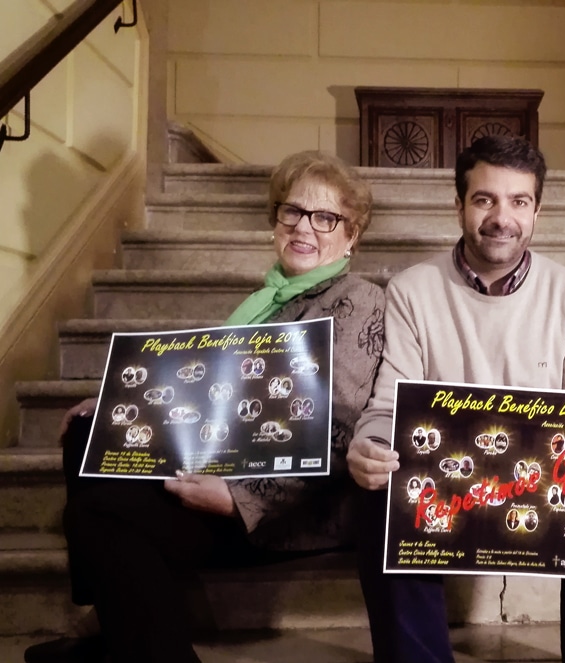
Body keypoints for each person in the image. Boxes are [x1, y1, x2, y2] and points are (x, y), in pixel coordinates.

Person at [25, 151, 385, 663]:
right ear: (276, 220)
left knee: (101, 511)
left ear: (351, 236)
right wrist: (117, 406)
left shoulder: (355, 300)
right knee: (91, 435)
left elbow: (336, 427)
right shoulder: (267, 301)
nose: (305, 227)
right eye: (293, 211)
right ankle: (118, 620)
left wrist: (240, 498)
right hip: (221, 463)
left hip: (288, 505)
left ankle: (135, 639)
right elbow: (201, 397)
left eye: (326, 218)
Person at [346, 134, 565, 663]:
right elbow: (388, 405)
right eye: (485, 199)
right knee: (376, 490)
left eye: (519, 201)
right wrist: (367, 444)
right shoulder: (412, 289)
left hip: (547, 490)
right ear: (458, 205)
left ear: (537, 211)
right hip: (448, 488)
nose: (502, 217)